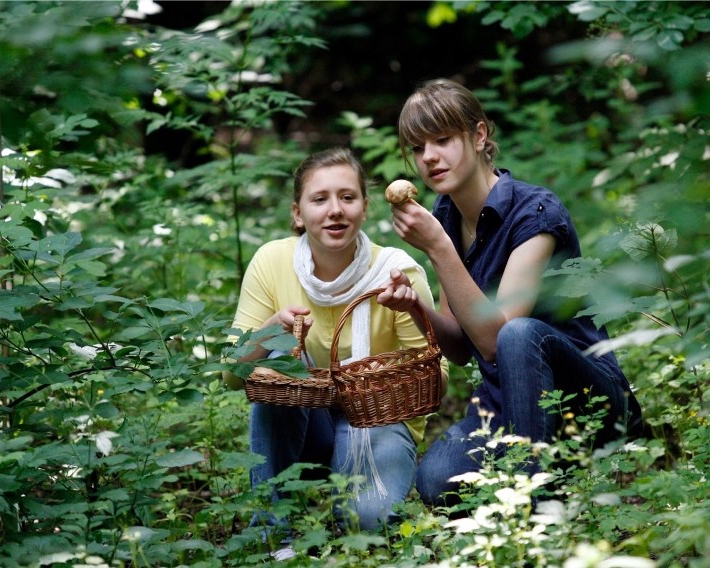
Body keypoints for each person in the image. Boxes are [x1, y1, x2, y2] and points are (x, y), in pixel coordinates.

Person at [380, 78, 644, 506]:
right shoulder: (444, 215)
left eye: (442, 140)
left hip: (586, 399)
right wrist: (417, 307)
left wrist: (439, 249)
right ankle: (548, 466)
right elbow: (461, 347)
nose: (428, 157)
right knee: (436, 482)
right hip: (508, 407)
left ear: (479, 135)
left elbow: (494, 343)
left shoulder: (535, 212)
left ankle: (539, 500)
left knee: (519, 333)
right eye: (416, 147)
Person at [228, 147, 447, 552]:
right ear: (298, 213)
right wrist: (272, 329)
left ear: (364, 208)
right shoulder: (271, 262)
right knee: (277, 361)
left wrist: (411, 308)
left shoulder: (395, 271)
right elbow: (232, 371)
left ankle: (355, 500)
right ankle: (276, 533)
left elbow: (439, 382)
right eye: (320, 199)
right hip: (306, 428)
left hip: (377, 421)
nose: (335, 210)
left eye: (347, 197)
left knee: (368, 526)